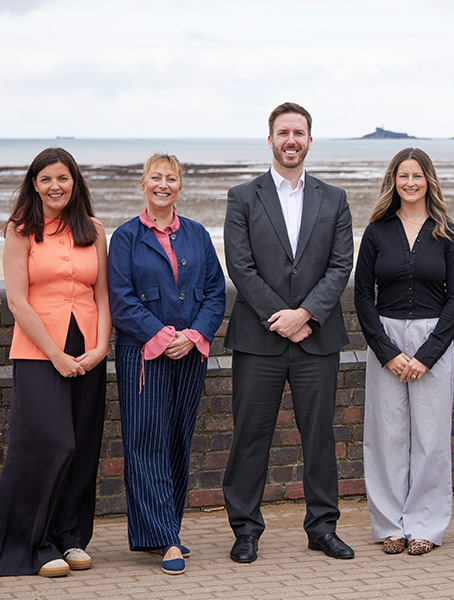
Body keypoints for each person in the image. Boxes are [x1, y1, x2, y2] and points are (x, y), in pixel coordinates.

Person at [222, 102, 354, 562]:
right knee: (250, 436)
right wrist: (282, 316)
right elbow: (239, 264)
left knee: (318, 436)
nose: (291, 140)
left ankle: (322, 527)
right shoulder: (243, 196)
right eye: (283, 132)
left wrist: (307, 315)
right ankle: (245, 530)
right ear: (272, 138)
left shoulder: (334, 199)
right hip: (259, 339)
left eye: (299, 132)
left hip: (317, 340)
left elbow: (341, 266)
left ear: (310, 140)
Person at [107, 153, 226, 575]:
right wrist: (162, 337)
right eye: (155, 177)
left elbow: (215, 292)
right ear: (143, 184)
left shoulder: (196, 234)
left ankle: (160, 530)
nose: (163, 184)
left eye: (170, 178)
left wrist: (192, 337)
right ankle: (169, 539)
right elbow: (119, 300)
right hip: (143, 356)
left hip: (188, 354)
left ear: (180, 186)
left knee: (177, 438)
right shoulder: (124, 237)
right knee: (145, 442)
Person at [0, 148, 110, 577]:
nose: (55, 186)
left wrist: (101, 347)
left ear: (74, 182)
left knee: (82, 447)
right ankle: (32, 543)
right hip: (39, 351)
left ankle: (70, 538)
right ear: (34, 184)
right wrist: (55, 354)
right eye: (45, 179)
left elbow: (102, 294)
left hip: (87, 349)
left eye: (62, 178)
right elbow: (17, 301)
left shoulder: (95, 230)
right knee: (50, 445)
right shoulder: (20, 230)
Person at [354, 148, 454, 556]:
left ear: (428, 180)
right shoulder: (376, 232)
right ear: (394, 181)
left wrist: (426, 355)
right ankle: (389, 526)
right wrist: (386, 351)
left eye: (417, 175)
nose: (410, 183)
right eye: (403, 176)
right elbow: (363, 298)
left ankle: (426, 525)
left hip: (432, 339)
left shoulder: (449, 232)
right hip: (385, 339)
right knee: (386, 437)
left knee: (431, 438)